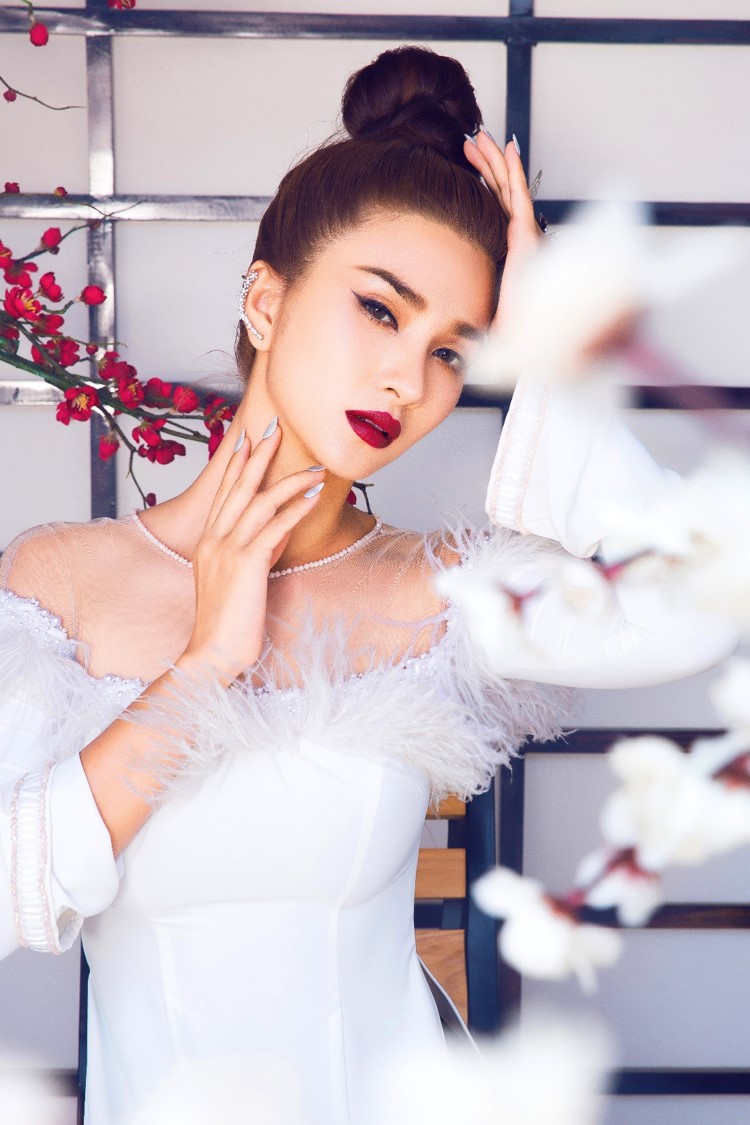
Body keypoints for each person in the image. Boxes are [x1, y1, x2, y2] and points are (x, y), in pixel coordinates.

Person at [0, 46, 735, 1125]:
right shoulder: (63, 582)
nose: (408, 380)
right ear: (265, 300)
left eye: (454, 352)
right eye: (382, 311)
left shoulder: (437, 593)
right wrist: (204, 668)